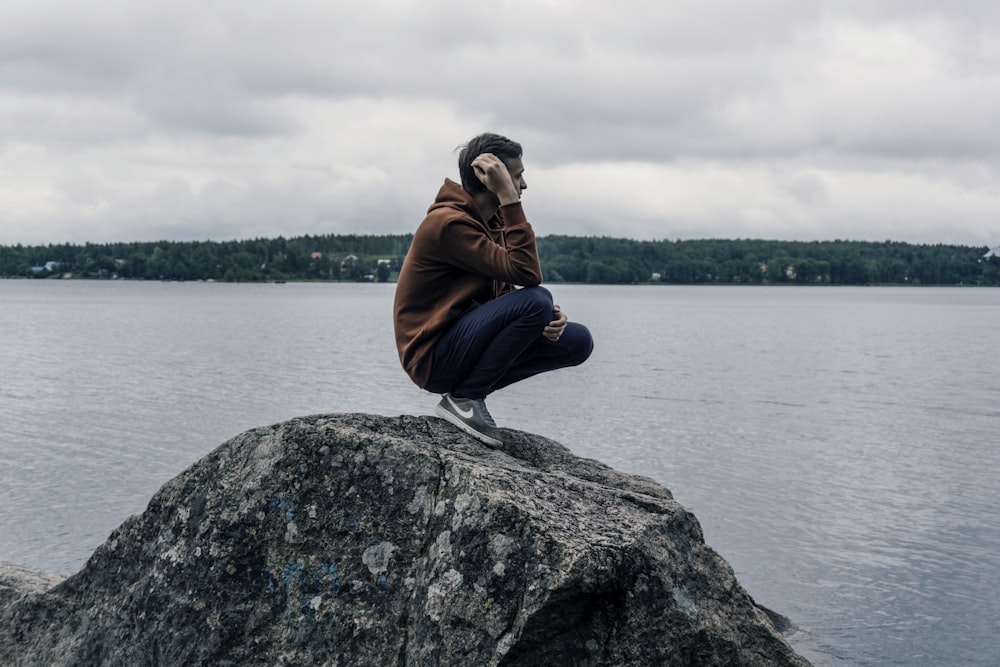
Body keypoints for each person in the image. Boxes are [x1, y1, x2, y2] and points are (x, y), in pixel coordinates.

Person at [393, 132, 593, 446]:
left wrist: (545, 320)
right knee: (537, 299)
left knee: (578, 341)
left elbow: (505, 292)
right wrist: (509, 199)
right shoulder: (448, 225)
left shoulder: (491, 221)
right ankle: (465, 398)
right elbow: (528, 274)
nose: (523, 185)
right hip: (432, 356)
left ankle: (466, 394)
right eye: (516, 176)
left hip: (460, 344)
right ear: (490, 179)